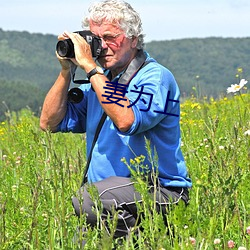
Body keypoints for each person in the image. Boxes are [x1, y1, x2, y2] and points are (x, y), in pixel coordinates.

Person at [40, 0, 192, 244]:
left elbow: (127, 120)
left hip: (160, 192)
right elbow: (49, 123)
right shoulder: (100, 83)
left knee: (88, 199)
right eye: (96, 39)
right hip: (110, 199)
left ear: (133, 39)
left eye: (110, 37)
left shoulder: (155, 77)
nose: (102, 47)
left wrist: (90, 68)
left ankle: (146, 241)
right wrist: (66, 70)